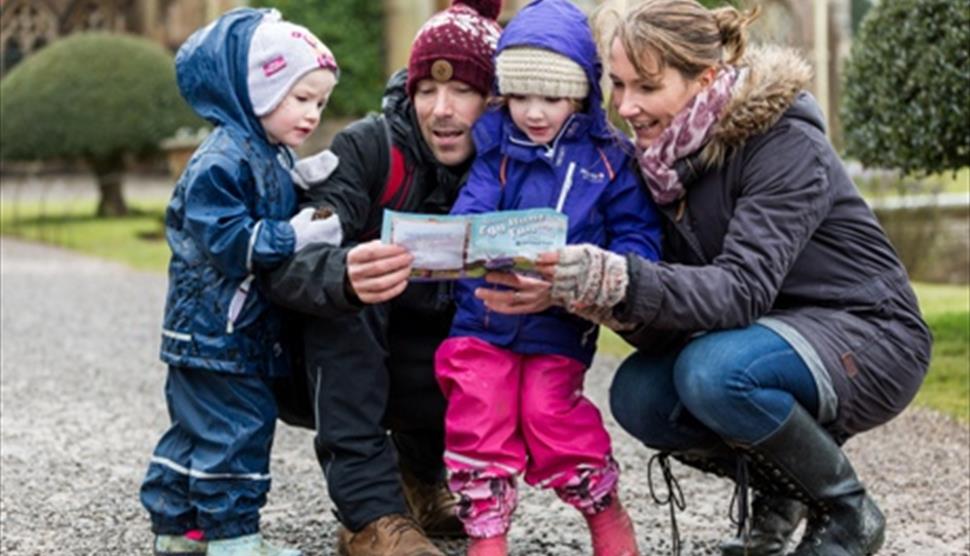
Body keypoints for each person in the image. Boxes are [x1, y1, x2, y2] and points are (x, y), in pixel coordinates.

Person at [501, 1, 932, 554]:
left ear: (704, 79)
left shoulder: (783, 143)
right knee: (639, 395)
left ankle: (848, 512)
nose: (626, 106)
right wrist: (592, 293)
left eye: (647, 88)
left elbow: (739, 291)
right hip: (768, 334)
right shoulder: (657, 167)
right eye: (619, 84)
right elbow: (669, 323)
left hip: (870, 334)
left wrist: (616, 279)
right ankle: (785, 490)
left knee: (714, 372)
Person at [262, 1, 503, 554]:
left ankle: (423, 477)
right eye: (426, 91)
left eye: (462, 91)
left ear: (494, 99)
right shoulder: (369, 148)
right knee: (354, 300)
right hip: (327, 368)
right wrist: (343, 273)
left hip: (438, 362)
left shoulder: (516, 161)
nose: (441, 110)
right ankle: (368, 515)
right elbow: (290, 259)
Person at [433, 1, 661, 555]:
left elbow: (636, 239)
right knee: (477, 409)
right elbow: (469, 214)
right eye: (521, 97)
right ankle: (486, 535)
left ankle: (604, 514)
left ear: (581, 94)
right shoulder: (495, 151)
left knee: (550, 413)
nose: (534, 112)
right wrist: (468, 239)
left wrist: (595, 270)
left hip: (559, 322)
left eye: (552, 98)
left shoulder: (610, 163)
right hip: (483, 317)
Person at [139, 8, 342, 556]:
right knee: (239, 428)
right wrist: (296, 235)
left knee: (197, 428)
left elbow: (265, 194)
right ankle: (234, 539)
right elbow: (233, 243)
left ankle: (177, 527)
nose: (311, 113)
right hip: (219, 331)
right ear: (259, 89)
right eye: (300, 98)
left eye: (319, 103)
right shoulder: (222, 159)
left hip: (215, 331)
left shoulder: (262, 150)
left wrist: (301, 178)